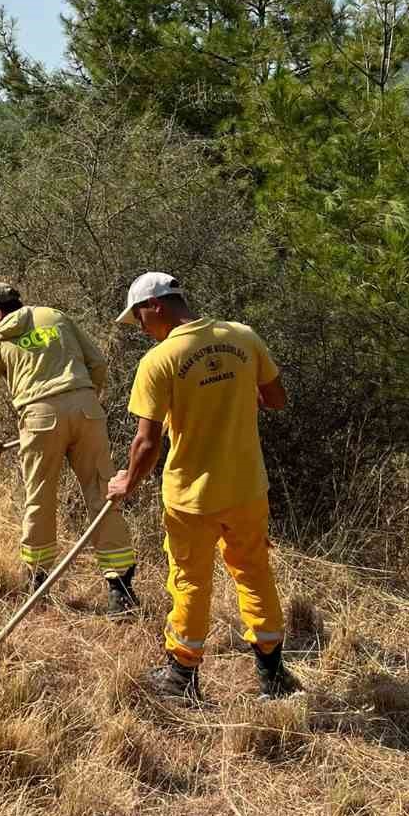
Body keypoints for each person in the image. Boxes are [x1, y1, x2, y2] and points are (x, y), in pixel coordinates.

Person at [107, 272, 299, 701]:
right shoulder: (243, 337)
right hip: (248, 488)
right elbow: (277, 399)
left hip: (192, 496)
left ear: (155, 306)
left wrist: (126, 483)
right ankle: (272, 676)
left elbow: (147, 441)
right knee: (253, 572)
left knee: (190, 581)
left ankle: (182, 677)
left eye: (139, 318)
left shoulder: (160, 360)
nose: (140, 329)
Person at [0, 281, 138, 613]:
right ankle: (120, 588)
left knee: (41, 497)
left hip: (39, 419)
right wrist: (87, 400)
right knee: (102, 491)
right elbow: (99, 363)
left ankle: (38, 580)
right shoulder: (57, 317)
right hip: (88, 409)